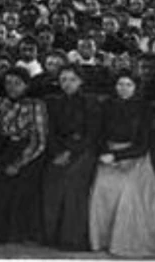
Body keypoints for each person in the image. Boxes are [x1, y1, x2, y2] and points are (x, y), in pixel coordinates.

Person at [88, 71, 155, 257]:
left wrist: (117, 156)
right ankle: (103, 239)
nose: (123, 89)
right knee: (101, 186)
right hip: (108, 154)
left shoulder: (145, 109)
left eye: (128, 85)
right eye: (120, 84)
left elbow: (143, 145)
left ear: (136, 87)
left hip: (134, 156)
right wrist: (106, 153)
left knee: (128, 187)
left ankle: (125, 241)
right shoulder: (106, 106)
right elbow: (99, 135)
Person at [0, 66, 47, 244]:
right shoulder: (0, 103)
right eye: (8, 83)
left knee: (18, 186)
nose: (12, 87)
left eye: (17, 84)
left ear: (26, 85)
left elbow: (39, 140)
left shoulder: (35, 105)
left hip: (28, 151)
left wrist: (19, 163)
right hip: (4, 147)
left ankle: (18, 233)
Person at [41, 65, 99, 250]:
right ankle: (51, 235)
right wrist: (57, 152)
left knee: (73, 183)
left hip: (83, 151)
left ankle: (72, 239)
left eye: (72, 79)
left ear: (80, 81)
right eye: (63, 79)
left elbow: (92, 134)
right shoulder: (53, 102)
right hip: (58, 150)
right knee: (52, 182)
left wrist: (70, 151)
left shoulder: (90, 102)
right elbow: (49, 132)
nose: (67, 83)